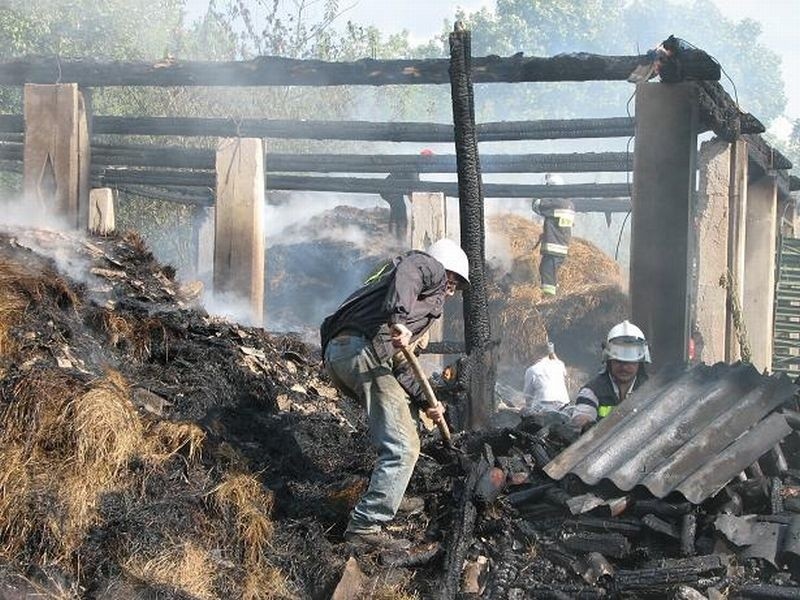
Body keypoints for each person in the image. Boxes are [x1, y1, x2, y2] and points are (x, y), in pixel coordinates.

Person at [320, 238, 469, 550]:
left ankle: (391, 492)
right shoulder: (430, 269)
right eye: (454, 282)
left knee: (410, 423)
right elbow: (412, 267)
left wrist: (428, 403)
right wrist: (400, 321)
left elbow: (400, 366)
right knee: (403, 447)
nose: (452, 290)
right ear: (448, 273)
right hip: (360, 351)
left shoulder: (406, 304)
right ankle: (366, 524)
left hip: (344, 355)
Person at [570, 320, 650, 429]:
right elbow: (581, 419)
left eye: (630, 362)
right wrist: (585, 424)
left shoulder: (651, 390)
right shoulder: (592, 391)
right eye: (618, 361)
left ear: (640, 362)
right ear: (608, 360)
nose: (624, 367)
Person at [532, 173, 575, 296]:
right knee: (549, 271)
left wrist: (539, 192)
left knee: (547, 273)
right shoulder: (569, 204)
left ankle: (548, 298)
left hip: (553, 246)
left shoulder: (556, 203)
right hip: (561, 246)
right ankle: (554, 292)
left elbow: (536, 206)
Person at [522, 342, 569, 415]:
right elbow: (556, 360)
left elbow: (528, 397)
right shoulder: (560, 365)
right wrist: (551, 352)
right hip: (564, 405)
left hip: (543, 406)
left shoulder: (531, 370)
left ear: (535, 354)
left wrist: (528, 410)